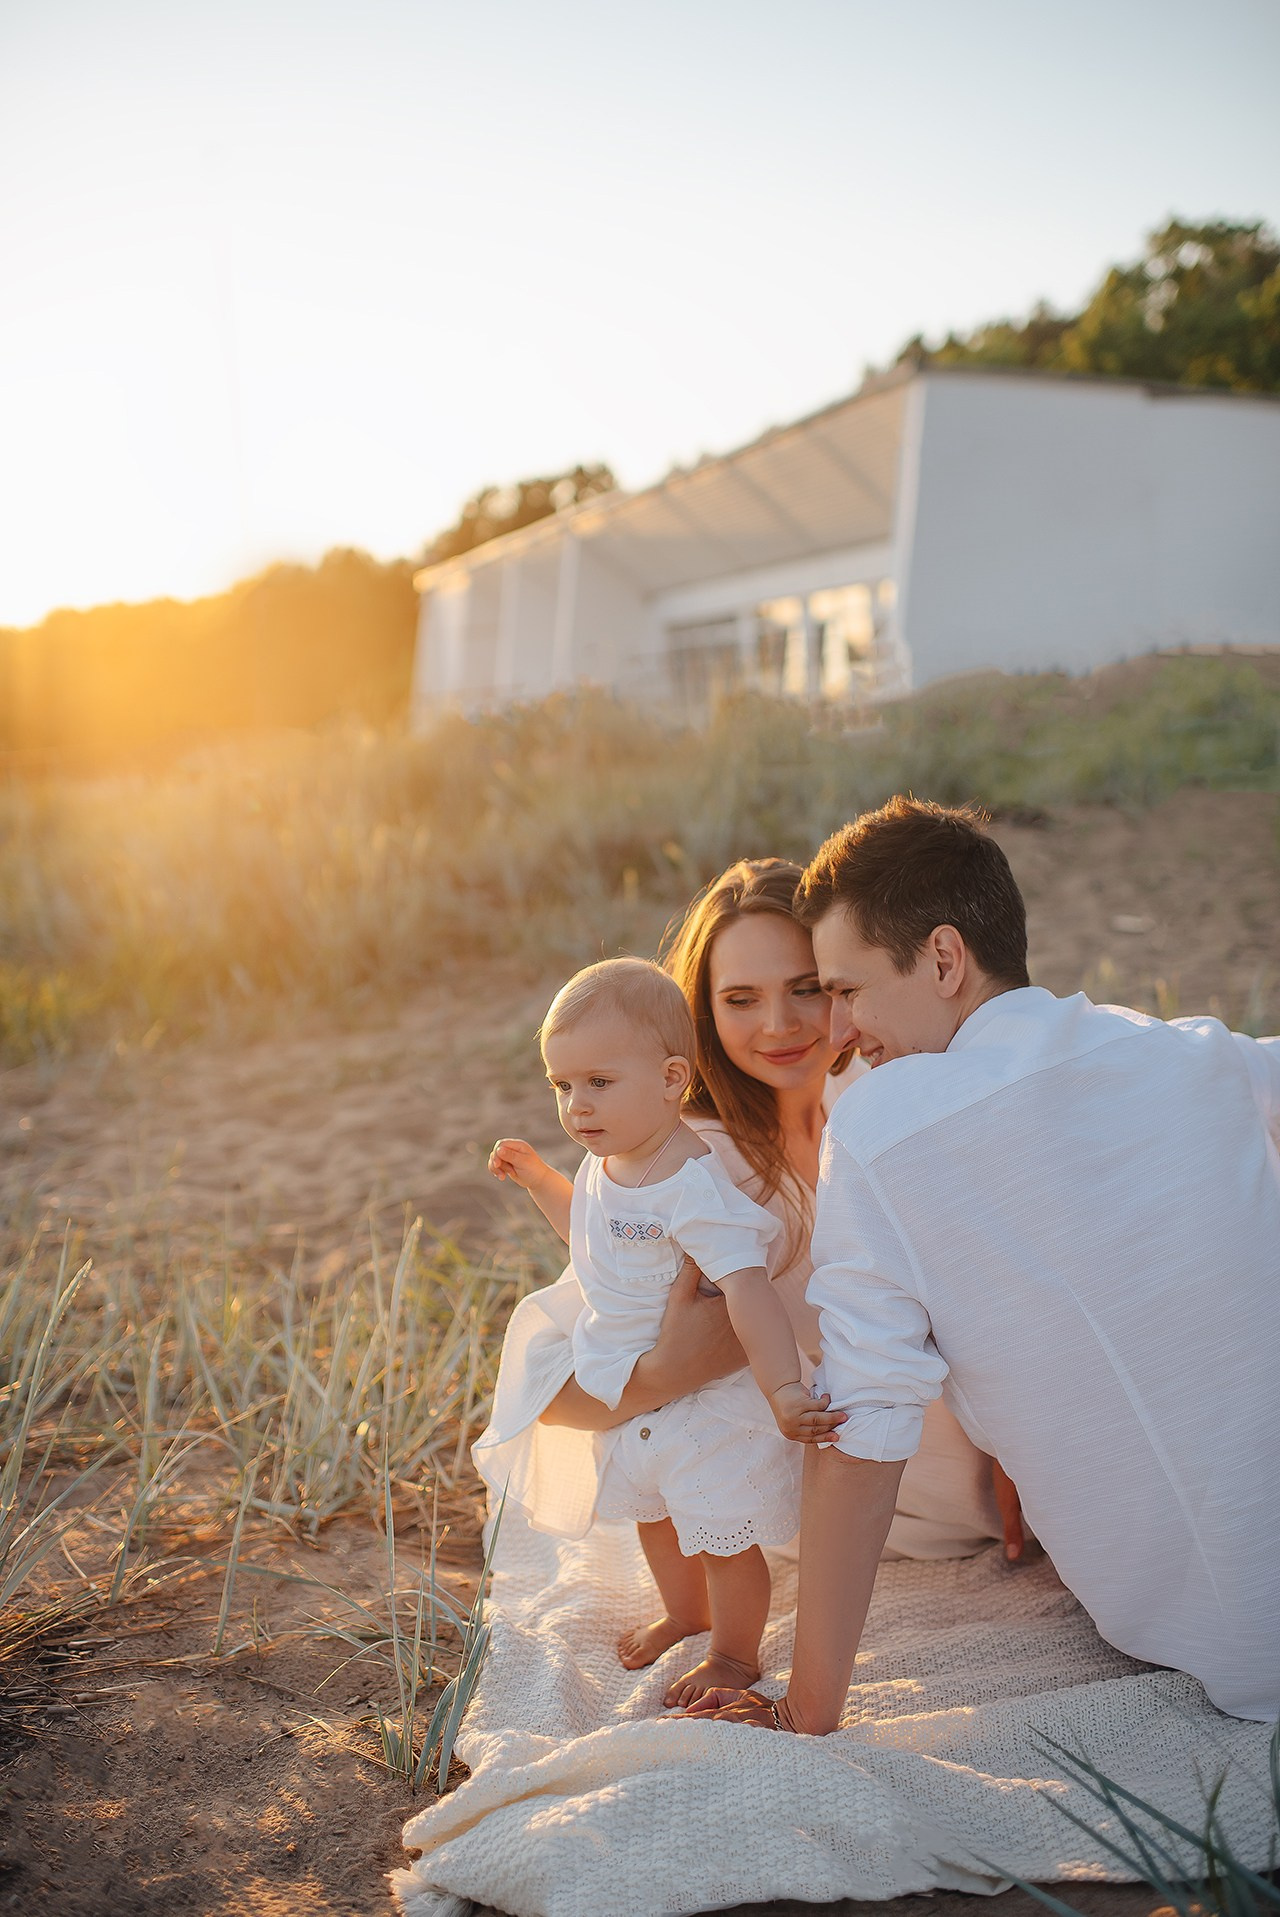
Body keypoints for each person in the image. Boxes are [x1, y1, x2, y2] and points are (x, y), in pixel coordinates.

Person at [689, 799, 1280, 1733]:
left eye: (845, 990)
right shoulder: (1194, 1050)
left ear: (944, 959)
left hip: (1234, 1639)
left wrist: (805, 1709)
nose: (836, 1029)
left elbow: (861, 1431)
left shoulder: (882, 1126)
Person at [474, 860, 1017, 1697]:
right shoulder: (688, 1160)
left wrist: (1024, 1439)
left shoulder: (877, 1086)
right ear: (699, 1020)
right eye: (739, 999)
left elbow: (993, 1273)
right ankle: (721, 1633)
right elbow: (573, 1369)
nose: (779, 1024)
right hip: (829, 1456)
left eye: (807, 988)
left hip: (958, 1432)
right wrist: (664, 1373)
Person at [489, 956, 834, 1705]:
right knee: (656, 1518)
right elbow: (590, 1237)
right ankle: (685, 1613)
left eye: (598, 1081)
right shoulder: (605, 1164)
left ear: (673, 1077)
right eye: (561, 1085)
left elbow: (749, 1288)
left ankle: (735, 1653)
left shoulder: (693, 1186)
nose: (577, 1105)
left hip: (709, 1403)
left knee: (721, 1534)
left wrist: (782, 1386)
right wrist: (541, 1180)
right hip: (634, 1382)